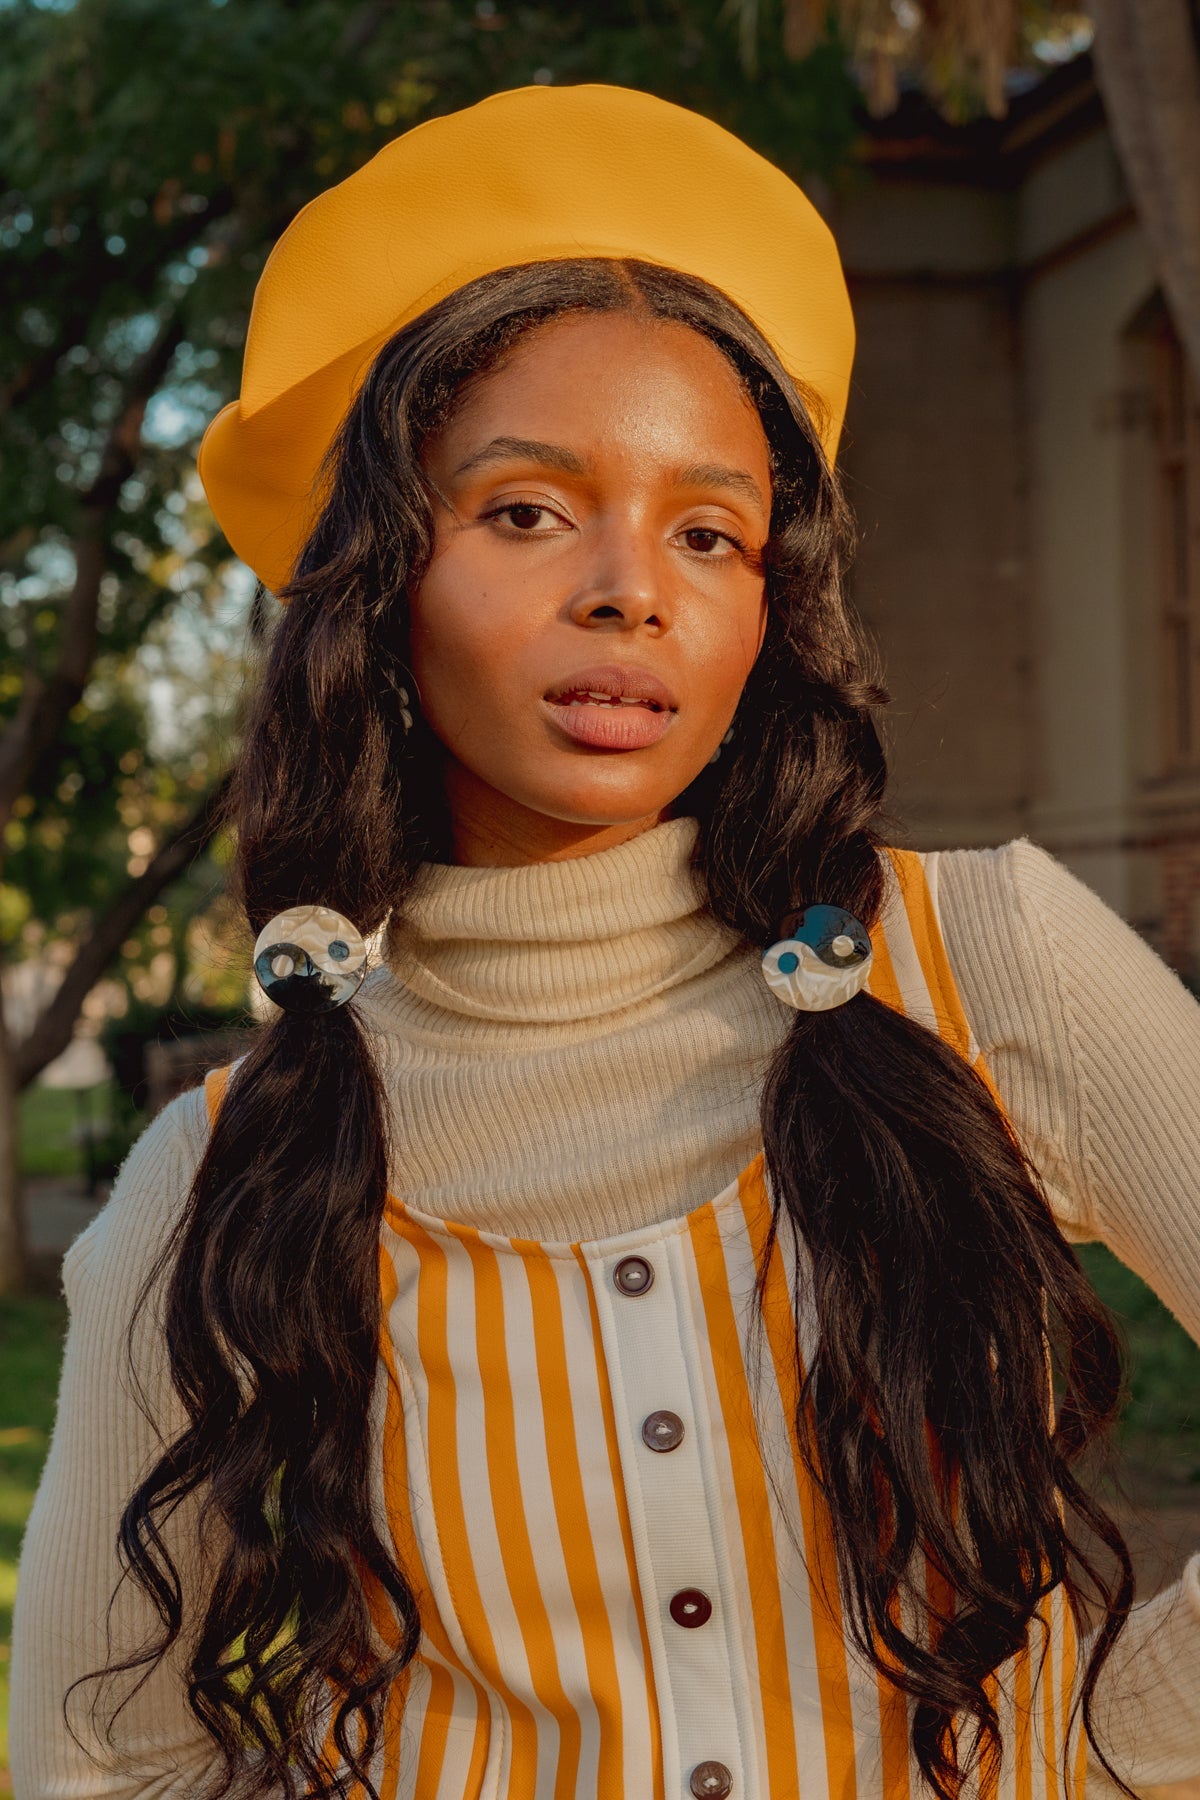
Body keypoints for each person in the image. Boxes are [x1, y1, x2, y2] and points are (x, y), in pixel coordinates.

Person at [10, 82, 1200, 1800]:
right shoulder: (219, 1183)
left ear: (765, 606)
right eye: (526, 511)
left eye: (708, 532)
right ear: (379, 581)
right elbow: (93, 1753)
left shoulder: (989, 963)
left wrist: (1105, 1752)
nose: (631, 587)